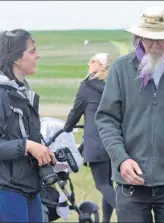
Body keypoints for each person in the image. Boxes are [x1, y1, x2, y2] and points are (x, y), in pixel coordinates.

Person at [95, 7, 164, 223]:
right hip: (131, 184)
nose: (155, 45)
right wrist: (121, 159)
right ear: (139, 37)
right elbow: (106, 119)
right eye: (149, 39)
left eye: (162, 39)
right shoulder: (120, 69)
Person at [0, 29, 56, 223]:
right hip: (5, 190)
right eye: (32, 51)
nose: (38, 55)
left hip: (29, 188)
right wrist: (27, 146)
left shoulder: (22, 93)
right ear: (16, 59)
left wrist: (42, 151)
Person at [63, 53, 116, 223]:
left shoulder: (87, 86)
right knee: (109, 184)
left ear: (99, 64)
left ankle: (129, 213)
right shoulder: (113, 85)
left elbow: (76, 111)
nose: (88, 63)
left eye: (92, 61)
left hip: (96, 143)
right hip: (114, 141)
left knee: (102, 185)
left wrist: (67, 127)